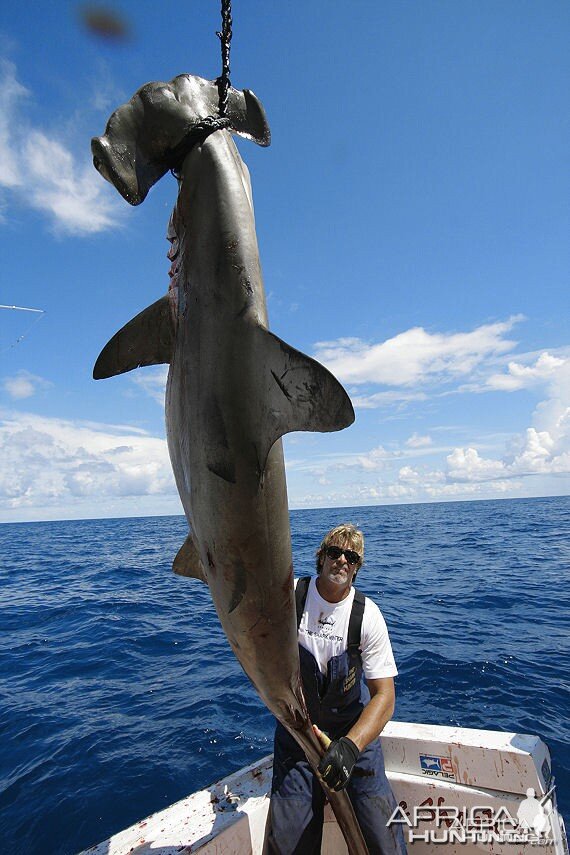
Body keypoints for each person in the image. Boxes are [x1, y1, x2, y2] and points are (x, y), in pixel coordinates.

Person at [266, 524, 406, 854]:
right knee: (287, 844)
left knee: (382, 835)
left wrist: (350, 747)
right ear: (321, 557)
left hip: (350, 735)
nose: (342, 560)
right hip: (298, 733)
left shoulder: (367, 616)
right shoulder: (291, 597)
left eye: (351, 556)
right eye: (335, 552)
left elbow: (384, 697)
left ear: (357, 566)